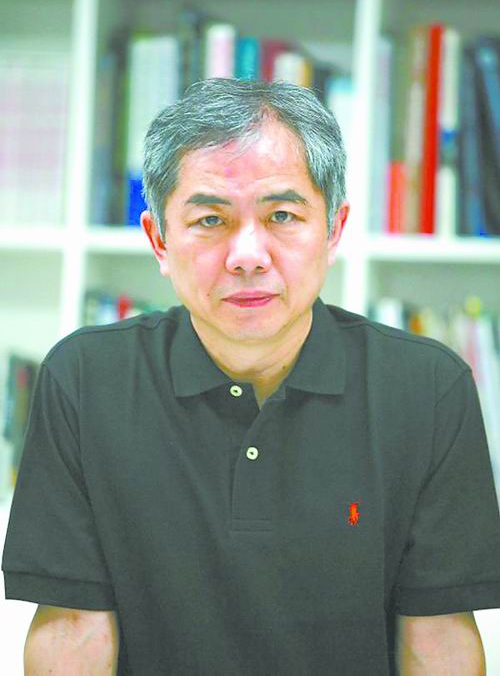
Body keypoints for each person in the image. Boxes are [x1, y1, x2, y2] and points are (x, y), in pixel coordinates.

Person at [2, 77, 500, 675]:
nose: (247, 255)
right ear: (158, 240)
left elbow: (438, 638)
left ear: (333, 230)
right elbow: (73, 632)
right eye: (210, 219)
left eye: (282, 215)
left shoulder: (428, 390)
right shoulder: (85, 381)